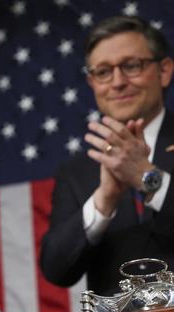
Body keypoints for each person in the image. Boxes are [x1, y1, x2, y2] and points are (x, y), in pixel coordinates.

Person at [40, 16, 174, 296]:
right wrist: (104, 201)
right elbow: (56, 269)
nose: (117, 82)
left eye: (131, 66)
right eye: (103, 72)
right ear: (91, 82)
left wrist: (147, 178)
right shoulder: (77, 171)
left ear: (164, 71)